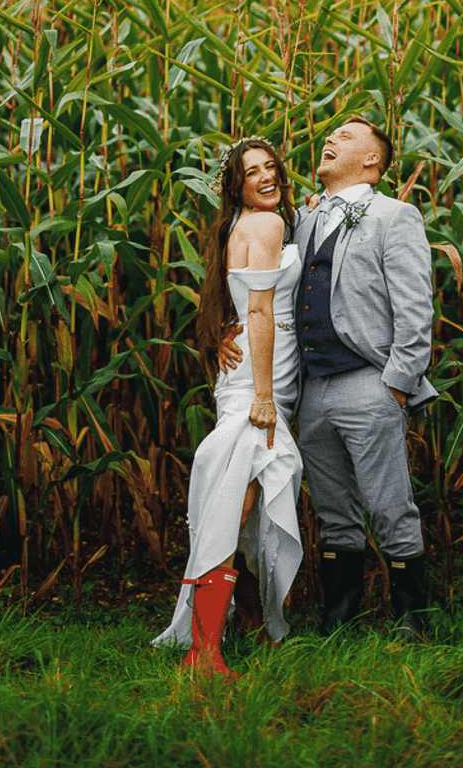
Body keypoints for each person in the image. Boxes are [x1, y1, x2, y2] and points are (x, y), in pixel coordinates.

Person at [223, 116, 437, 640]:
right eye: (330, 134)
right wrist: (224, 332)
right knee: (334, 510)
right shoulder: (303, 221)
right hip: (312, 391)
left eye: (345, 136)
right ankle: (340, 616)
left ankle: (414, 619)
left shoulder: (395, 216)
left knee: (390, 506)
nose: (330, 139)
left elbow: (416, 311)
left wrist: (396, 384)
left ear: (371, 161)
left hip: (369, 381)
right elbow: (261, 291)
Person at [151, 137, 304, 677]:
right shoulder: (265, 226)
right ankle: (204, 651)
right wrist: (264, 397)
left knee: (248, 502)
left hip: (248, 375)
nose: (264, 177)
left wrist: (223, 340)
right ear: (235, 185)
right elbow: (259, 310)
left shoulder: (240, 225)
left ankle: (248, 629)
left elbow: (229, 298)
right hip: (258, 383)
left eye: (270, 167)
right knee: (237, 505)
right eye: (250, 172)